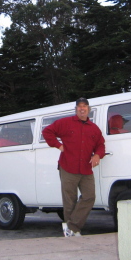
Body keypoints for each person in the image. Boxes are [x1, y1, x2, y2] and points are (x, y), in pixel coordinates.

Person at [42, 97, 105, 237]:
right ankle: (73, 231)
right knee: (70, 199)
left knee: (89, 196)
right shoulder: (65, 123)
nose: (82, 108)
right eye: (79, 106)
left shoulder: (94, 129)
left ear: (88, 109)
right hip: (67, 167)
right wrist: (58, 145)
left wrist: (97, 155)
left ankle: (71, 226)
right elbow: (47, 132)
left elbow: (100, 145)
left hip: (86, 169)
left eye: (85, 106)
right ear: (76, 109)